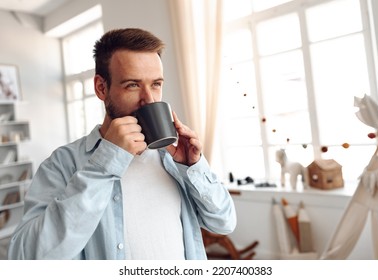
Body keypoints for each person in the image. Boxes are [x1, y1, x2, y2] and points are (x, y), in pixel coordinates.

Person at [7, 28, 236, 260]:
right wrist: (105, 163)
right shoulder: (63, 163)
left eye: (156, 84)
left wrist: (193, 168)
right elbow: (27, 257)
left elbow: (224, 223)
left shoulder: (174, 158)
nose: (149, 99)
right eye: (132, 85)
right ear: (101, 88)